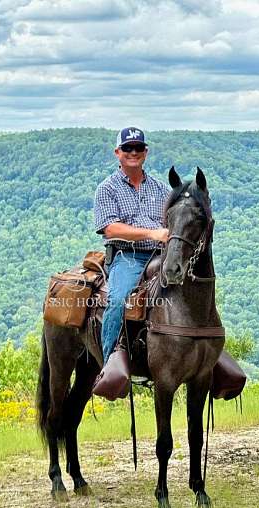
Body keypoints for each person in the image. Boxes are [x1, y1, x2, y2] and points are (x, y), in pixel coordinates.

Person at [94, 126, 169, 378]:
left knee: (196, 290)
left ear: (145, 152)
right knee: (116, 301)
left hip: (162, 255)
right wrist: (151, 233)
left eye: (138, 148)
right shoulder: (107, 188)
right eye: (127, 148)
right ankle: (110, 369)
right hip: (128, 256)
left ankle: (208, 357)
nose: (133, 152)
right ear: (118, 152)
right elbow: (110, 228)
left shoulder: (160, 188)